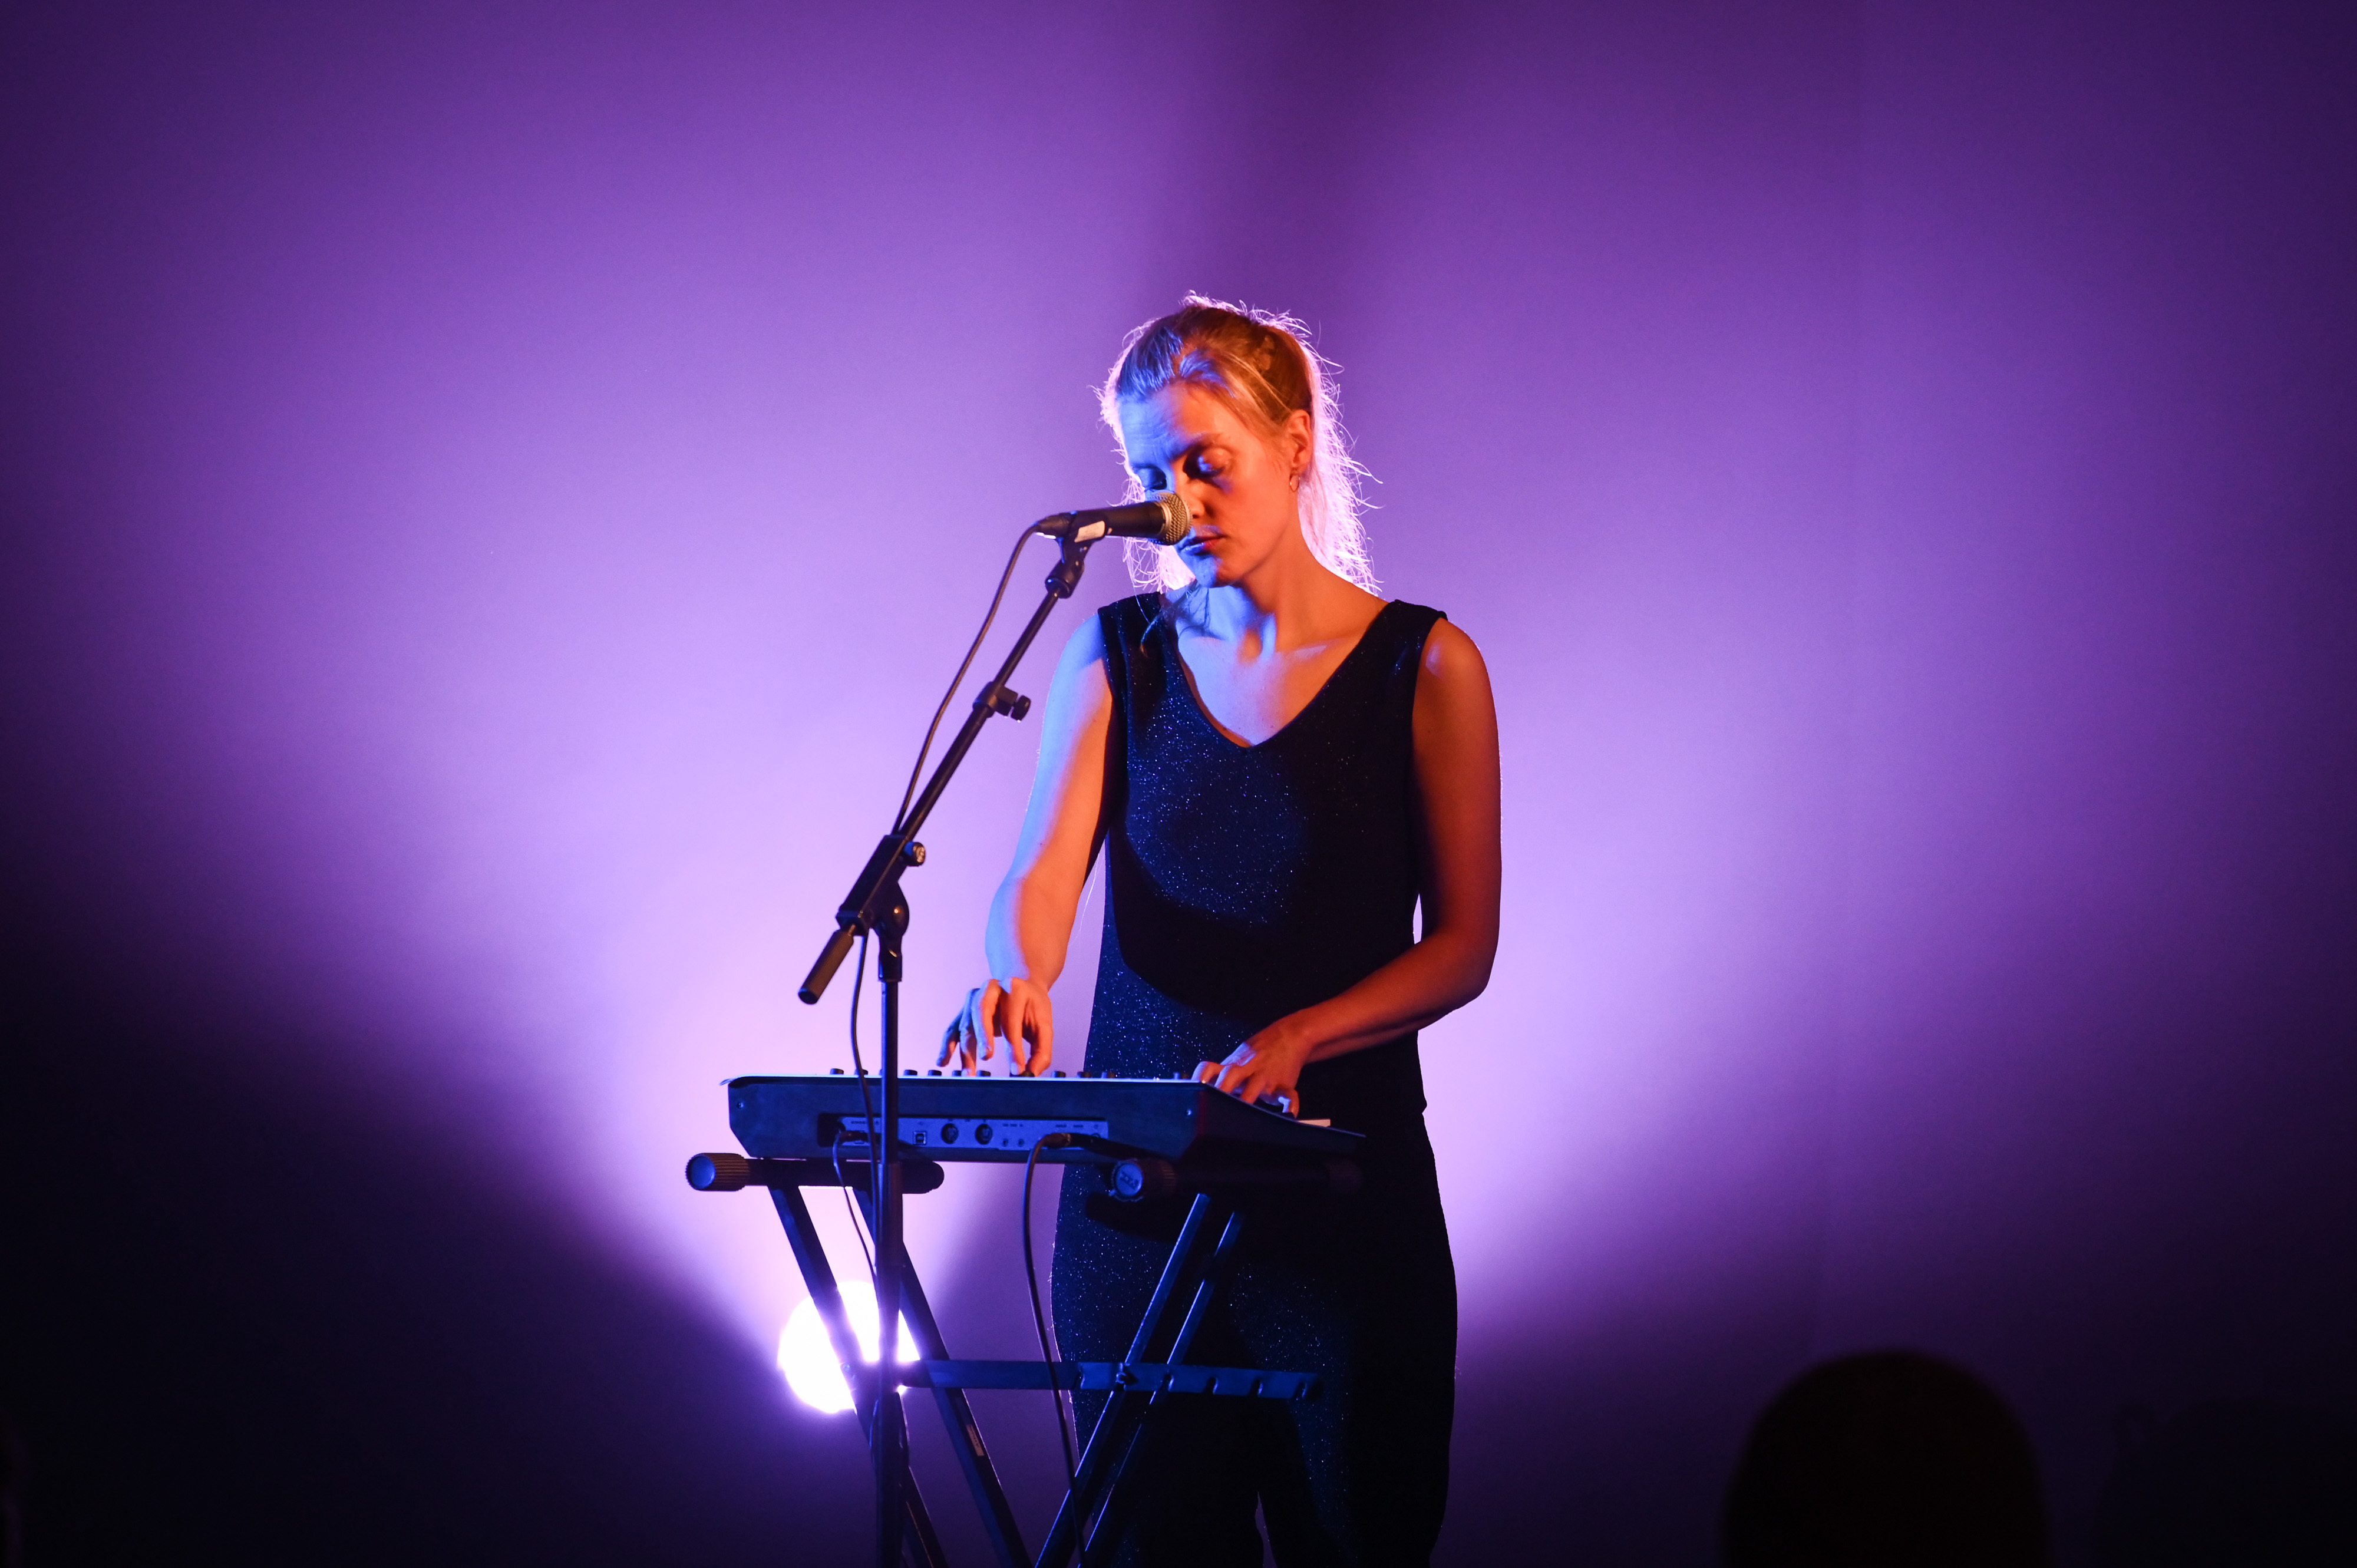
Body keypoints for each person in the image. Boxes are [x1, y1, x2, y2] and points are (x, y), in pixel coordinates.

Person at [939, 298, 1500, 1566]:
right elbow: (1039, 874)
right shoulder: (1113, 656)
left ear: (1295, 444)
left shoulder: (1426, 665)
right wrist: (1015, 972)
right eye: (1152, 476)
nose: (1178, 503)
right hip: (1135, 1209)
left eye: (1206, 462)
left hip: (1340, 1212)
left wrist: (1301, 1034)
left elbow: (1463, 946)